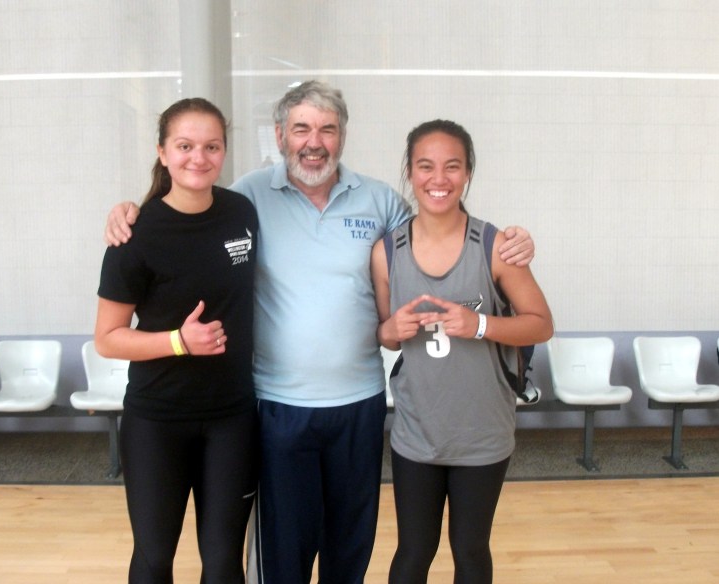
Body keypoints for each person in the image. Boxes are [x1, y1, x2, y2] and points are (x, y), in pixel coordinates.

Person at [104, 81, 536, 584]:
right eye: (302, 128)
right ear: (280, 135)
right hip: (277, 406)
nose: (314, 142)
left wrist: (513, 240)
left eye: (327, 129)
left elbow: (438, 228)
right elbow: (188, 202)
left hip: (360, 403)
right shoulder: (246, 198)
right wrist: (130, 211)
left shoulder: (380, 201)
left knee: (348, 545)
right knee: (282, 553)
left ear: (342, 136)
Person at [371, 119, 553, 584]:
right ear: (409, 172)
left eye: (452, 166)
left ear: (468, 172)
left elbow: (541, 323)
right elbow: (387, 335)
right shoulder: (387, 252)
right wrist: (391, 328)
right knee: (414, 550)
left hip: (482, 433)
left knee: (470, 549)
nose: (439, 178)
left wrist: (481, 324)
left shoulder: (495, 246)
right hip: (418, 431)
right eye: (425, 166)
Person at [94, 97, 259, 584]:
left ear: (224, 151)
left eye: (211, 146)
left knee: (224, 563)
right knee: (154, 559)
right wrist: (179, 342)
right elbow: (107, 339)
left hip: (232, 417)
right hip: (156, 420)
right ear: (163, 152)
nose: (198, 158)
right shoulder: (135, 236)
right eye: (185, 146)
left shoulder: (241, 213)